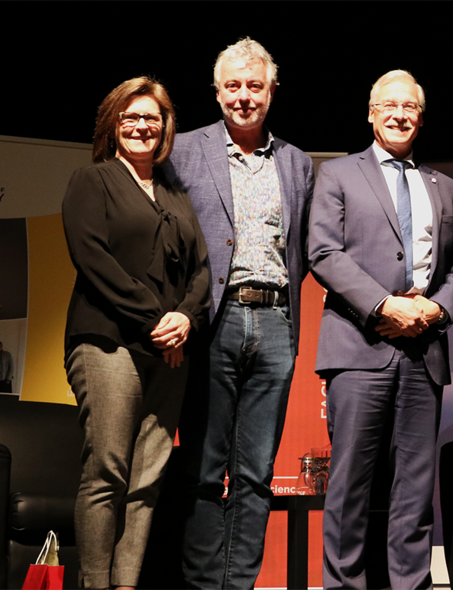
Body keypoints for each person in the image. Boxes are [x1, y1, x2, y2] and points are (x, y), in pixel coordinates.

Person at [162, 37, 314, 590]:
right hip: (212, 322)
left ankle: (238, 584)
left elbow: (307, 247)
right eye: (233, 86)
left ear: (272, 91)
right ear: (217, 91)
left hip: (276, 323)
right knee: (204, 468)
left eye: (255, 86)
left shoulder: (297, 162)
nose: (244, 97)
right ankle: (204, 584)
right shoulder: (183, 151)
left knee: (255, 475)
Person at [309, 69, 453, 590]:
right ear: (371, 113)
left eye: (410, 107)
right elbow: (323, 252)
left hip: (424, 350)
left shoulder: (445, 188)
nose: (400, 115)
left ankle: (409, 585)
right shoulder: (336, 174)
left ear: (421, 117)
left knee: (415, 492)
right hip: (359, 347)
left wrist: (435, 312)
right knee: (350, 487)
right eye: (389, 105)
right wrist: (383, 306)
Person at [61, 76, 210, 590]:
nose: (142, 126)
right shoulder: (92, 180)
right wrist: (157, 323)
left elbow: (202, 270)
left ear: (166, 126)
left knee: (147, 480)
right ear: (113, 124)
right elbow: (94, 261)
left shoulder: (175, 193)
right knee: (108, 471)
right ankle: (96, 584)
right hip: (108, 340)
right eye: (131, 117)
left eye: (152, 117)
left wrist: (185, 317)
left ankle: (127, 585)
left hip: (170, 348)